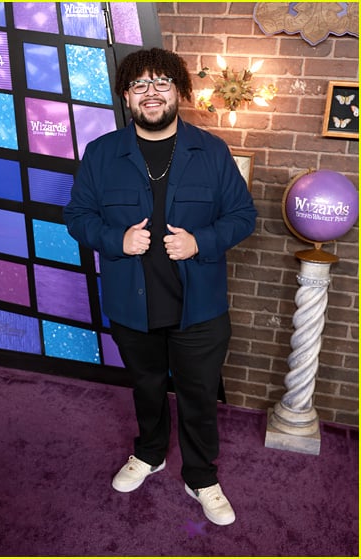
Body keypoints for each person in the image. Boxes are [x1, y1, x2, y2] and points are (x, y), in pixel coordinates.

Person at [64, 47, 257, 526]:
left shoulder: (210, 150)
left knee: (198, 394)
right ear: (127, 97)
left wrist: (200, 242)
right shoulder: (102, 153)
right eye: (139, 85)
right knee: (147, 387)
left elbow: (243, 216)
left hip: (200, 307)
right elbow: (77, 216)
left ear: (180, 91)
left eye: (162, 83)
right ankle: (149, 453)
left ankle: (201, 476)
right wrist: (116, 238)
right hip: (133, 304)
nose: (151, 93)